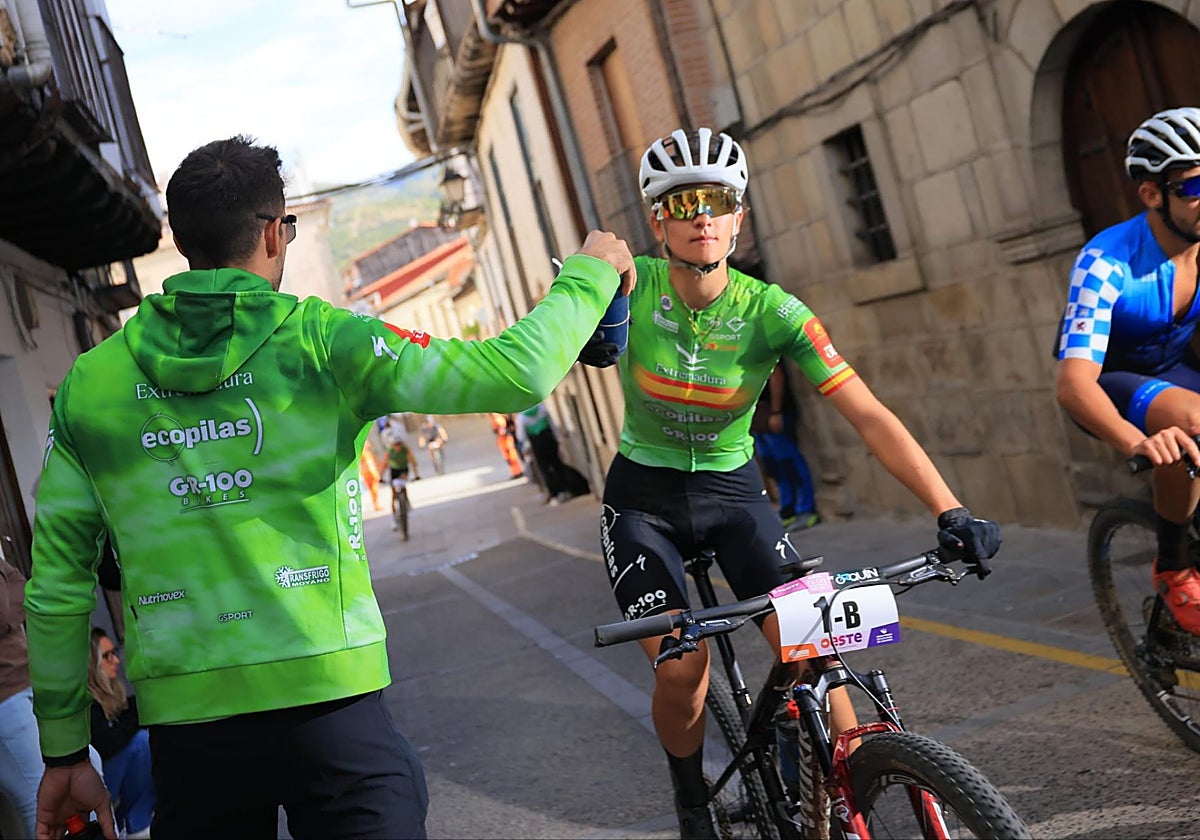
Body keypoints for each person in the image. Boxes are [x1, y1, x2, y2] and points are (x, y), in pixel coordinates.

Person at [25, 134, 634, 840]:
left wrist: (64, 749)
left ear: (183, 243)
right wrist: (588, 274)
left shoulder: (91, 384)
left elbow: (57, 585)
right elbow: (514, 371)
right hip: (334, 708)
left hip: (190, 735)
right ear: (271, 234)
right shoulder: (323, 341)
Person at [591, 127, 1000, 838]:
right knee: (683, 669)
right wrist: (596, 261)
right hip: (642, 505)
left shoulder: (773, 311)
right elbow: (590, 282)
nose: (701, 217)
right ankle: (693, 801)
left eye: (718, 202)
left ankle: (844, 784)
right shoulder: (635, 286)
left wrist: (951, 509)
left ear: (739, 217)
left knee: (816, 644)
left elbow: (869, 415)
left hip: (735, 497)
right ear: (658, 220)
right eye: (683, 203)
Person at [1056, 107, 1200, 635]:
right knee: (1191, 421)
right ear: (1151, 194)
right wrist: (1135, 442)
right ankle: (1174, 566)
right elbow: (1072, 385)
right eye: (1194, 186)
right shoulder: (1105, 262)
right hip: (1107, 382)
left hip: (1173, 367)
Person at [87, 629, 153, 839]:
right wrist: (139, 715)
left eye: (114, 653)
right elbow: (108, 743)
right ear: (92, 664)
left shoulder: (111, 693)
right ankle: (135, 822)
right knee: (142, 742)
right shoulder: (86, 703)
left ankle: (132, 820)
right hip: (91, 787)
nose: (116, 660)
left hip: (106, 782)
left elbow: (125, 720)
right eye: (107, 656)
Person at [0, 556, 41, 840]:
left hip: (26, 683)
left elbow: (25, 590)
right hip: (6, 696)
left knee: (91, 766)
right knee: (39, 799)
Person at [750, 361, 819, 530]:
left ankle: (806, 509)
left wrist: (776, 411)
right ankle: (788, 509)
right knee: (773, 466)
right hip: (757, 416)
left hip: (771, 412)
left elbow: (776, 375)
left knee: (788, 462)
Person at [514, 403, 589, 504]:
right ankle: (566, 488)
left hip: (537, 443)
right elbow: (553, 425)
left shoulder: (522, 417)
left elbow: (521, 436)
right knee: (557, 464)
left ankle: (555, 493)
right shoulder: (542, 408)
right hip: (549, 439)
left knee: (545, 469)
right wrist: (558, 439)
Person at [386, 435, 420, 531]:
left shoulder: (405, 450)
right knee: (393, 494)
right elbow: (384, 463)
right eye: (395, 445)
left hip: (403, 470)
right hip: (394, 471)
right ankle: (393, 517)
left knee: (403, 485)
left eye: (399, 444)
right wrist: (380, 476)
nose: (398, 447)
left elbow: (412, 461)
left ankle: (406, 502)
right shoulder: (390, 452)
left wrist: (416, 474)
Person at [488, 412, 525, 479]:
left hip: (505, 441)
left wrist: (500, 432)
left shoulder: (497, 419)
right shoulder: (499, 418)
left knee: (511, 458)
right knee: (511, 458)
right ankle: (516, 472)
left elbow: (502, 431)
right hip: (505, 441)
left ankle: (517, 472)